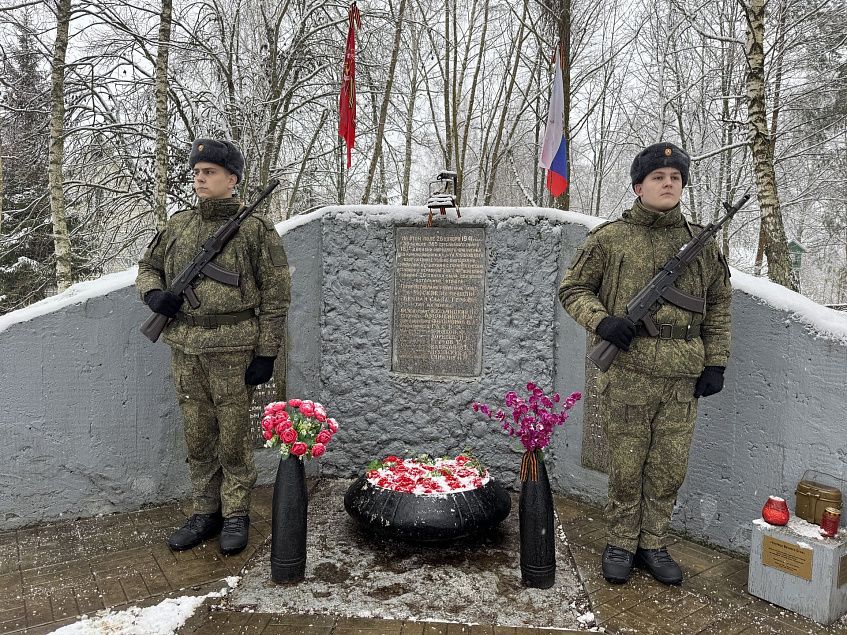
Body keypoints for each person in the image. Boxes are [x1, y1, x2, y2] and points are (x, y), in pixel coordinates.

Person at [558, 142, 731, 585]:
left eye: (675, 178)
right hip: (630, 372)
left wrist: (716, 363)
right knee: (626, 463)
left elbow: (720, 307)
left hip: (682, 376)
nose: (667, 184)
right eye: (658, 177)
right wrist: (603, 322)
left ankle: (653, 541)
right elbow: (573, 289)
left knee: (669, 466)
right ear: (639, 186)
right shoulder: (610, 238)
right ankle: (620, 541)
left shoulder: (702, 245)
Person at [136, 139, 290, 555]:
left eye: (210, 172)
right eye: (197, 172)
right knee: (198, 434)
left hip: (234, 350)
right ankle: (205, 511)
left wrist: (266, 353)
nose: (200, 178)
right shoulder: (179, 224)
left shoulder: (255, 228)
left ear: (232, 180)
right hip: (185, 348)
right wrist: (155, 297)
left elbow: (277, 295)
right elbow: (147, 266)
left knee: (235, 436)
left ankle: (236, 513)